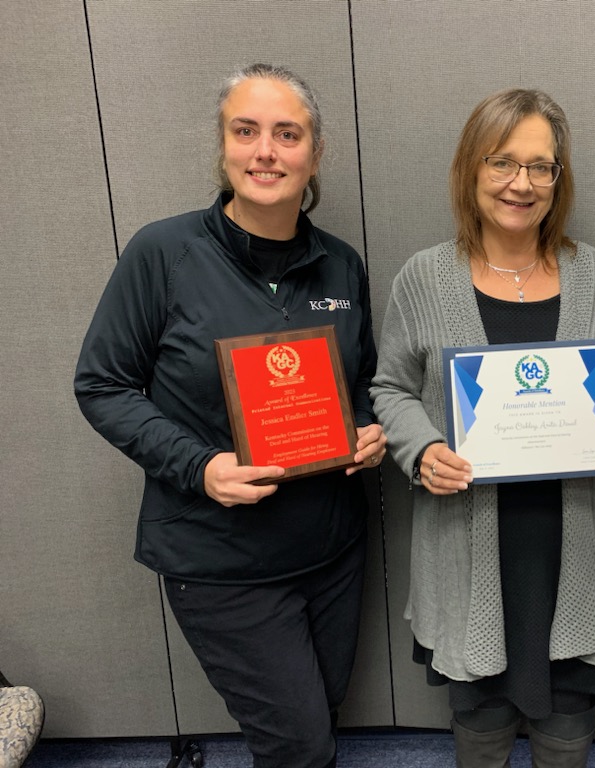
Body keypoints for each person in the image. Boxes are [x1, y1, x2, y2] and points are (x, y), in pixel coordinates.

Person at [74, 63, 385, 768]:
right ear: (223, 146)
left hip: (332, 550)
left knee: (317, 714)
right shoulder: (163, 254)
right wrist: (201, 465)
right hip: (221, 561)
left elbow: (362, 378)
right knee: (302, 749)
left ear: (315, 152)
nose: (265, 151)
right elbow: (102, 384)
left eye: (287, 133)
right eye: (245, 131)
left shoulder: (341, 265)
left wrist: (368, 427)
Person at [370, 88, 595, 767]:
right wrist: (423, 449)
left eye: (540, 166)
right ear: (472, 170)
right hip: (468, 545)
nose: (521, 184)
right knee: (483, 724)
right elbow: (390, 388)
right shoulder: (424, 278)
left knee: (567, 724)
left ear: (559, 179)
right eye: (502, 162)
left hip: (574, 540)